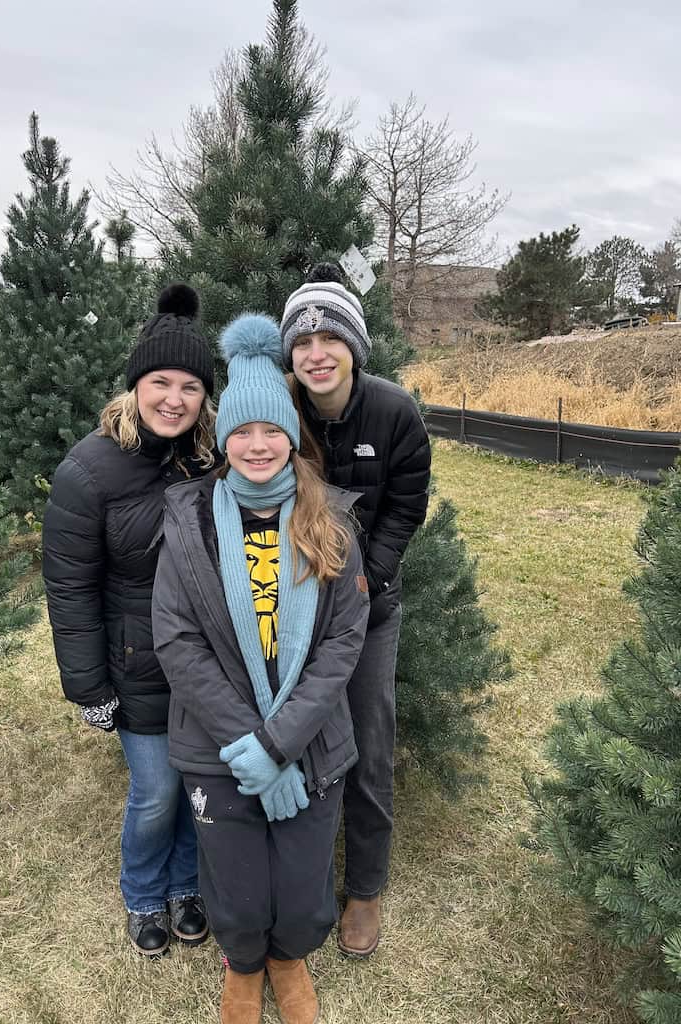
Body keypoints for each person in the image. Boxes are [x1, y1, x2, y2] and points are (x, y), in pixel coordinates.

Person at [151, 313, 370, 1024]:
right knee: (238, 882)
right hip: (220, 746)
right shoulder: (187, 521)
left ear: (289, 435)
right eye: (242, 431)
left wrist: (279, 746)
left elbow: (343, 642)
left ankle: (290, 957)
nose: (256, 444)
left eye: (270, 430)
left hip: (309, 740)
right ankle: (244, 963)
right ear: (222, 438)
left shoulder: (330, 519)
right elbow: (176, 640)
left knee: (304, 880)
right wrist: (245, 741)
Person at [42, 284, 215, 956]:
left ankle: (186, 885)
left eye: (190, 386)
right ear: (135, 385)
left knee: (198, 784)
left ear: (205, 396)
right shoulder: (88, 472)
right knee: (156, 792)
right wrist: (90, 689)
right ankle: (143, 895)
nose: (174, 398)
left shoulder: (211, 459)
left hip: (205, 664)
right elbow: (70, 587)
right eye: (160, 381)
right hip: (136, 663)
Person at [280, 263, 431, 958]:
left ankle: (365, 887)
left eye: (329, 338)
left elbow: (405, 506)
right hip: (291, 606)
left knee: (369, 742)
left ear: (353, 347)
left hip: (369, 609)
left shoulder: (394, 413)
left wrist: (366, 582)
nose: (316, 353)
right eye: (302, 342)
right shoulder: (277, 413)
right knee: (300, 736)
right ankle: (302, 877)